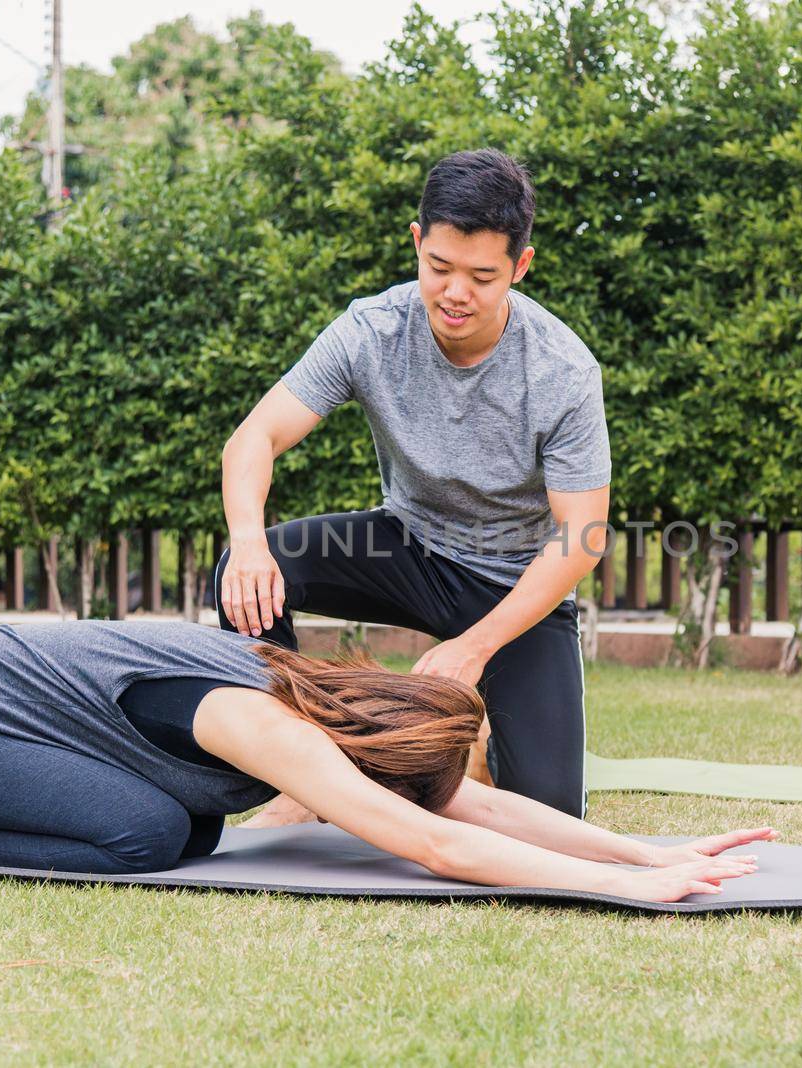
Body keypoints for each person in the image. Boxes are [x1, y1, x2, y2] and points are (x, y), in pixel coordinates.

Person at [0, 621, 776, 903]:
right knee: (144, 836)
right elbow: (433, 842)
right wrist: (620, 894)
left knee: (195, 828)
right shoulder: (267, 725)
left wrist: (645, 854)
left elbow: (469, 814)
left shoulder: (320, 700)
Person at [218, 148, 608, 824]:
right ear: (417, 242)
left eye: (483, 276)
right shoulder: (372, 330)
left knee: (549, 820)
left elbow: (582, 538)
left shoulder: (562, 370)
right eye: (439, 267)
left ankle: (476, 741)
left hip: (515, 583)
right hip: (407, 547)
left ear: (520, 266)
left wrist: (473, 649)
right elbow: (255, 438)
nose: (456, 292)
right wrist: (249, 542)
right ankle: (299, 762)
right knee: (252, 569)